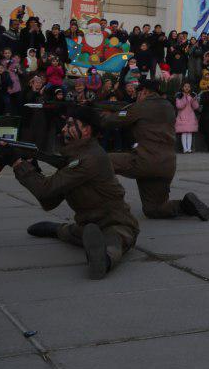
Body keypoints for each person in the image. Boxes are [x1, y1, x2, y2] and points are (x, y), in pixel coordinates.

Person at [16, 106, 140, 279]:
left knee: (114, 241)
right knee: (76, 232)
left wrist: (19, 165)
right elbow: (50, 200)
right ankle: (57, 230)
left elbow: (46, 191)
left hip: (117, 223)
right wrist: (32, 168)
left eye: (70, 125)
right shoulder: (75, 157)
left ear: (87, 130)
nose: (64, 129)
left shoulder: (89, 158)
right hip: (88, 224)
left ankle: (103, 261)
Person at [101, 80, 209, 220]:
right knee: (155, 209)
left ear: (145, 91)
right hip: (167, 165)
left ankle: (102, 205)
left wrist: (103, 115)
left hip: (144, 161)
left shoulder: (141, 106)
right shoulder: (168, 106)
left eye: (138, 93)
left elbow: (111, 121)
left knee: (102, 161)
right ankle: (184, 205)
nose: (137, 97)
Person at [174, 82, 200, 153]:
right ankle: (185, 148)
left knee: (189, 133)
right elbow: (179, 106)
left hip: (190, 116)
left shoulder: (192, 96)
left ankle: (189, 148)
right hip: (182, 116)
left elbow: (196, 107)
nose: (187, 88)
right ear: (182, 87)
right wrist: (185, 98)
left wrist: (193, 99)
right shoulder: (179, 96)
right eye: (185, 86)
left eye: (188, 86)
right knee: (184, 133)